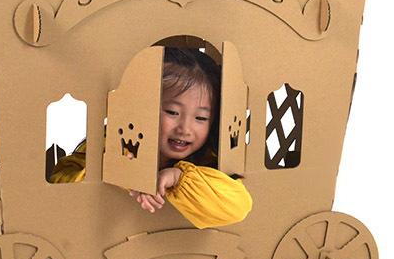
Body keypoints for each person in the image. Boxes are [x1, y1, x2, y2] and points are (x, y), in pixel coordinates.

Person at [49, 47, 252, 229]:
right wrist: (128, 175)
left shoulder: (208, 159)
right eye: (172, 112)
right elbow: (61, 182)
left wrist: (178, 178)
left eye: (200, 118)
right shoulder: (112, 143)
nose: (185, 128)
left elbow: (238, 207)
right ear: (140, 108)